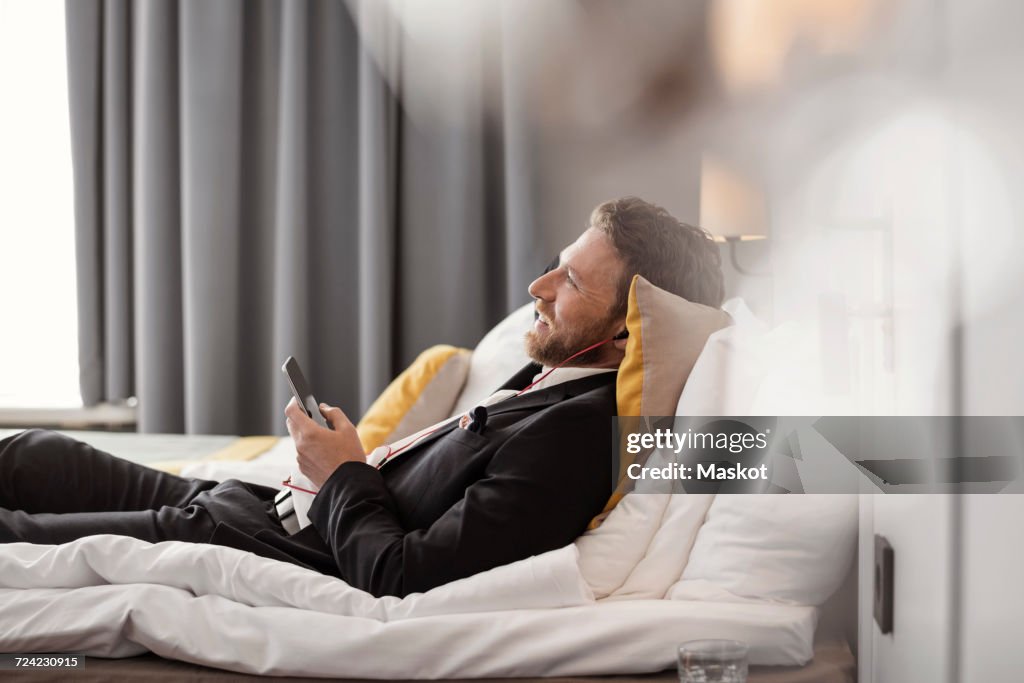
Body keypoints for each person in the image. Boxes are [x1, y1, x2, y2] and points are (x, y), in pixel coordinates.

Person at [0, 197, 724, 598]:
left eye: (569, 283)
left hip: (264, 542)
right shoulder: (551, 381)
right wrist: (337, 466)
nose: (538, 288)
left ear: (628, 336)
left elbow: (404, 573)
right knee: (35, 453)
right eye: (554, 267)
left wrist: (344, 470)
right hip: (256, 504)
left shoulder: (576, 436)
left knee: (20, 534)